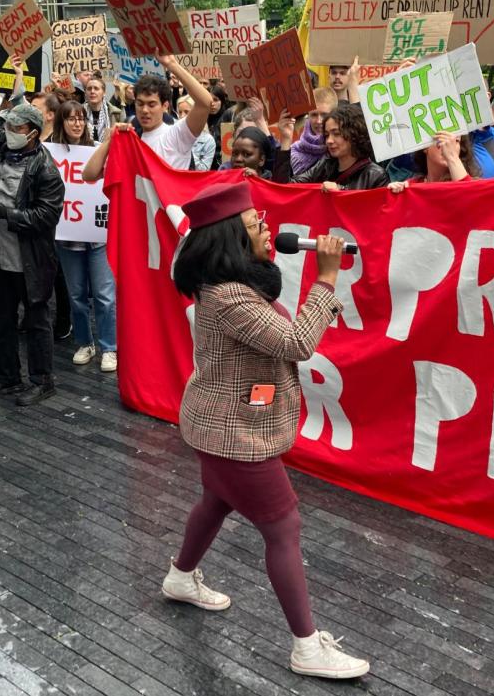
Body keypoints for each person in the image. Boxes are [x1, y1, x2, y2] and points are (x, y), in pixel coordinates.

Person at [166, 181, 369, 680]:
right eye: (257, 225)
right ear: (232, 238)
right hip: (234, 434)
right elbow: (297, 343)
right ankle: (306, 646)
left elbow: (280, 330)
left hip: (224, 424)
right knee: (283, 527)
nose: (268, 229)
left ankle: (180, 577)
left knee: (216, 502)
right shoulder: (230, 297)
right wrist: (325, 279)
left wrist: (324, 296)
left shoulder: (238, 286)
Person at [0, 97, 65, 406]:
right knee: (2, 319)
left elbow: (46, 217)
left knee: (36, 321)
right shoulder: (4, 148)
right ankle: (8, 378)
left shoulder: (46, 170)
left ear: (33, 132)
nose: (8, 130)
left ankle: (42, 380)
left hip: (30, 260)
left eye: (17, 126)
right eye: (8, 124)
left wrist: (6, 214)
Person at [47, 103, 117, 372]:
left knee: (104, 294)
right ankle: (85, 343)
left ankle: (109, 347)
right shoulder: (49, 151)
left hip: (98, 236)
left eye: (80, 119)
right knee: (76, 294)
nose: (76, 124)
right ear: (61, 123)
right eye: (70, 119)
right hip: (67, 238)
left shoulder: (98, 147)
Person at [82, 55, 214, 180]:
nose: (144, 110)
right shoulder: (130, 141)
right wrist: (109, 140)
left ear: (165, 106)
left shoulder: (178, 135)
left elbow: (205, 103)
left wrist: (172, 65)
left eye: (151, 104)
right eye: (140, 104)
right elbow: (89, 175)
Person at [272, 104, 388, 190]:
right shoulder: (325, 165)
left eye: (336, 134)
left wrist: (341, 191)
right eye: (326, 135)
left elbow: (376, 216)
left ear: (355, 134)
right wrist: (286, 139)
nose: (329, 141)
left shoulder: (375, 175)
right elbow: (285, 189)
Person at [387, 131, 480, 192]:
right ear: (425, 147)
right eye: (441, 139)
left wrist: (452, 158)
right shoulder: (411, 186)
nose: (447, 146)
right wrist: (395, 194)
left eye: (456, 141)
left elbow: (470, 200)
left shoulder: (476, 185)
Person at [289, 88, 338, 175]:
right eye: (314, 115)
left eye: (324, 115)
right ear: (308, 115)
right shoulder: (294, 150)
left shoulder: (341, 150)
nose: (319, 121)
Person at [178, 95, 217, 169]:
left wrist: (187, 148)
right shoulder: (174, 134)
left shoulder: (208, 140)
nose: (182, 116)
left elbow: (203, 170)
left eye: (186, 112)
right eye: (180, 112)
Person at [83, 74, 125, 142]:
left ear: (104, 92)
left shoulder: (117, 113)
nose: (92, 91)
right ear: (85, 92)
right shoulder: (78, 112)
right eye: (89, 89)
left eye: (96, 88)